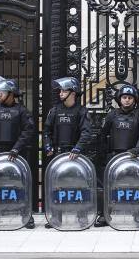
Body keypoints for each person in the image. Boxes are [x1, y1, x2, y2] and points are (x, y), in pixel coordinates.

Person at [0, 79, 37, 229]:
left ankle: (26, 215)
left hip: (16, 153)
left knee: (21, 183)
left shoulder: (22, 111)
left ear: (11, 94)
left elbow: (28, 131)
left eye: (2, 92)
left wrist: (16, 148)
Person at [94, 83, 139, 227]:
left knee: (135, 186)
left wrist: (137, 149)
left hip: (133, 156)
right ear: (120, 99)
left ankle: (138, 214)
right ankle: (105, 215)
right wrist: (104, 152)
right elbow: (103, 134)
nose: (127, 100)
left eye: (130, 98)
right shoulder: (112, 114)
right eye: (124, 97)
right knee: (110, 186)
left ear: (134, 100)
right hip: (114, 156)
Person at [43, 76, 92, 228]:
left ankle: (82, 216)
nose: (61, 93)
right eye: (61, 90)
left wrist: (77, 148)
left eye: (64, 90)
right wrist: (48, 146)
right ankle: (56, 218)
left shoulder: (82, 111)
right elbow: (46, 131)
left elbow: (86, 133)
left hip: (76, 155)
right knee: (57, 185)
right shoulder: (55, 110)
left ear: (73, 92)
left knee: (79, 185)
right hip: (59, 153)